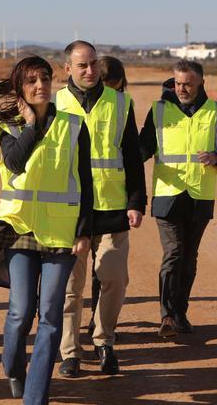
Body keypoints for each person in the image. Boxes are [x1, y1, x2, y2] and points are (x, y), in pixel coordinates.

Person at [0, 55, 92, 404]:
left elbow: (85, 182)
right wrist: (29, 125)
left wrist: (84, 231)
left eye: (44, 78)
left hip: (60, 232)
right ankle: (13, 367)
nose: (40, 85)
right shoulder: (8, 126)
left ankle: (35, 396)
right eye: (31, 81)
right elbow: (14, 162)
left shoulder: (74, 125)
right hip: (19, 229)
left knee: (51, 316)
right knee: (20, 310)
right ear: (20, 89)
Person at [55, 41, 145, 378]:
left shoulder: (121, 103)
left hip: (112, 207)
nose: (90, 71)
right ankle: (69, 353)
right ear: (68, 69)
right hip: (69, 211)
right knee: (70, 288)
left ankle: (104, 341)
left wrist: (136, 202)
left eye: (93, 64)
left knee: (114, 279)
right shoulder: (54, 105)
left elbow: (132, 156)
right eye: (82, 66)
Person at [139, 60, 217, 337]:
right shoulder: (159, 110)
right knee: (173, 254)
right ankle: (168, 317)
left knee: (189, 257)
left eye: (187, 84)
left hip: (200, 195)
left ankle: (180, 313)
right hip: (167, 194)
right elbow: (144, 146)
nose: (181, 88)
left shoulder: (214, 112)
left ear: (200, 84)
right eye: (177, 83)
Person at [85, 55, 130, 335]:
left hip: (113, 200)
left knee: (105, 270)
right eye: (108, 84)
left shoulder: (124, 105)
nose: (113, 89)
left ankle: (97, 320)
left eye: (117, 84)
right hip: (78, 203)